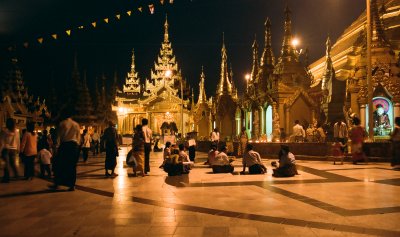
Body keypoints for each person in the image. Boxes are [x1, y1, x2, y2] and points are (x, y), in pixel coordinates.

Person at [49, 111, 80, 191]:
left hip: (65, 145)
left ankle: (57, 183)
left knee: (60, 165)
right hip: (74, 146)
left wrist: (56, 147)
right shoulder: (76, 124)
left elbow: (58, 137)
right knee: (72, 166)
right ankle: (72, 185)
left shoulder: (62, 123)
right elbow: (78, 137)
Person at [0, 118, 20, 183]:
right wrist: (18, 149)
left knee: (7, 164)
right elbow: (18, 141)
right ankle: (17, 175)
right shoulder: (16, 131)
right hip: (13, 149)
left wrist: (0, 150)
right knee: (13, 163)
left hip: (6, 149)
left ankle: (7, 178)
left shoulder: (4, 131)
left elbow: (2, 142)